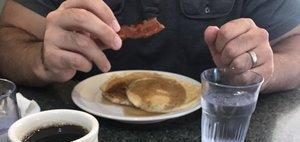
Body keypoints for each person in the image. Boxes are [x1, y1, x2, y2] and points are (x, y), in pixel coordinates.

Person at [0, 0, 299, 92]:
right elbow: (8, 36)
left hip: (218, 135)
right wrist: (41, 60)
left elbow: (294, 45)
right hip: (86, 140)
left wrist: (261, 71)